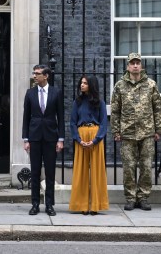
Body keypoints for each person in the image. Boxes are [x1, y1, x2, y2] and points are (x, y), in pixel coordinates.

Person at [109, 52, 161, 211]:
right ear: (127, 66)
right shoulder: (120, 86)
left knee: (146, 166)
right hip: (127, 133)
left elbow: (157, 109)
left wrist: (158, 129)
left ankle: (143, 197)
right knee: (129, 167)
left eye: (138, 63)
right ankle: (131, 198)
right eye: (132, 63)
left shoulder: (151, 84)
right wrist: (116, 130)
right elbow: (115, 110)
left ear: (141, 65)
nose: (135, 65)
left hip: (147, 132)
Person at [21, 64, 64, 216]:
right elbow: (26, 117)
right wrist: (26, 139)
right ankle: (35, 203)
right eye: (34, 73)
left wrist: (61, 139)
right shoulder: (30, 93)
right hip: (34, 137)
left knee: (50, 172)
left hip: (51, 137)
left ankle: (49, 204)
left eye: (37, 73)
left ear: (46, 76)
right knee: (35, 172)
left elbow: (61, 116)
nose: (34, 76)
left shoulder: (56, 92)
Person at [68, 74, 108, 215]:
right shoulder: (77, 102)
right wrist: (79, 140)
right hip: (82, 134)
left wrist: (95, 140)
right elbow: (72, 122)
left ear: (91, 85)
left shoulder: (100, 103)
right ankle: (82, 204)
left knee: (97, 171)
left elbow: (104, 123)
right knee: (81, 171)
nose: (82, 85)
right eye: (81, 83)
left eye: (85, 83)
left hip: (95, 135)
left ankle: (96, 204)